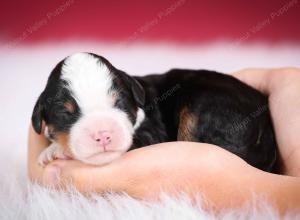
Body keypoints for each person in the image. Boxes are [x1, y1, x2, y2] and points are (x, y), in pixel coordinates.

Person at [28, 67, 300, 214]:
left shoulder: (150, 114)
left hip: (229, 113)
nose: (102, 133)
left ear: (135, 98)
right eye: (69, 117)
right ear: (45, 121)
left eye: (116, 107)